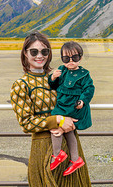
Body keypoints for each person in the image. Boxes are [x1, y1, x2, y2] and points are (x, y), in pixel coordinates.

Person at [10, 32, 91, 186]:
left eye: (44, 51)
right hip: (43, 146)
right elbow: (26, 123)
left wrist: (74, 117)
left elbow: (81, 97)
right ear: (25, 54)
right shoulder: (21, 85)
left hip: (70, 144)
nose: (39, 56)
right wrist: (58, 120)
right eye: (34, 52)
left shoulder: (61, 77)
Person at [48, 41, 95, 176]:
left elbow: (89, 89)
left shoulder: (84, 74)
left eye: (74, 58)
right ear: (62, 58)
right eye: (66, 58)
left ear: (80, 57)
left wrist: (82, 100)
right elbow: (53, 85)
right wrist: (53, 77)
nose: (70, 61)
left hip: (73, 107)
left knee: (57, 125)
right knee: (68, 131)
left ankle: (57, 154)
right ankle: (75, 159)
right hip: (63, 105)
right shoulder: (61, 70)